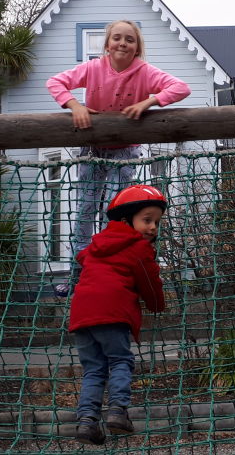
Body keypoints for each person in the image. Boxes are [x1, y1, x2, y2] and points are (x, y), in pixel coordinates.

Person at [46, 20, 190, 292]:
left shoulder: (144, 72)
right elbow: (55, 82)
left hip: (125, 151)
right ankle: (78, 274)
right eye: (117, 38)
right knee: (85, 209)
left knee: (112, 211)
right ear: (107, 44)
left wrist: (149, 101)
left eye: (129, 39)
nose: (122, 43)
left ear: (137, 47)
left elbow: (181, 88)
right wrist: (75, 105)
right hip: (92, 149)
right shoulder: (93, 68)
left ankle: (108, 270)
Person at [68, 184, 168, 445]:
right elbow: (150, 282)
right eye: (147, 220)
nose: (153, 227)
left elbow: (83, 258)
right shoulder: (138, 248)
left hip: (81, 314)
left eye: (156, 222)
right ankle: (117, 411)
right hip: (112, 313)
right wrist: (157, 305)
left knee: (93, 369)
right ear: (126, 220)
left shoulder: (96, 245)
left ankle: (87, 422)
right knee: (121, 360)